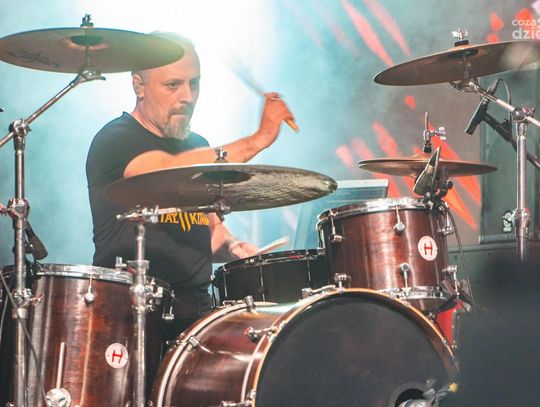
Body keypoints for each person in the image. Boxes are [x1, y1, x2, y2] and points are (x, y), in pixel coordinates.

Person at [85, 32, 295, 340]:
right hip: (130, 313)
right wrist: (258, 139)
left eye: (193, 84)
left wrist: (233, 246)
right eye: (173, 85)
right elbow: (165, 170)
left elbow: (210, 229)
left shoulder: (198, 145)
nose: (187, 96)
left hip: (197, 316)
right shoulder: (116, 140)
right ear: (139, 85)